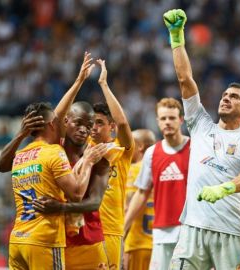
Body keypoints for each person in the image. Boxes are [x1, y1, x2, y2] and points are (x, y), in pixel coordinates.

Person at [164, 9, 240, 269]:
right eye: (224, 94)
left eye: (234, 96)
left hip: (229, 229)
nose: (225, 98)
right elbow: (185, 80)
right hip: (192, 229)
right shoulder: (200, 125)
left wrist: (224, 188)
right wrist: (177, 39)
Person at [3, 102, 105, 269]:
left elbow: (0, 165)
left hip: (18, 240)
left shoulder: (19, 156)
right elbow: (77, 194)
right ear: (52, 124)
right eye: (58, 122)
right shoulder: (54, 152)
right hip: (44, 239)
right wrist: (87, 162)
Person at [32, 102, 111, 269]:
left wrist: (60, 207)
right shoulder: (50, 154)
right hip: (57, 243)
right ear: (66, 121)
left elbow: (94, 203)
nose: (84, 129)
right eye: (78, 123)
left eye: (89, 126)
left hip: (89, 243)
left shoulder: (99, 162)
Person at [124, 98, 190, 270]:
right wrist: (124, 226)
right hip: (161, 233)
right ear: (157, 122)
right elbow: (141, 192)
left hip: (190, 233)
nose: (167, 122)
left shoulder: (195, 148)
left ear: (181, 120)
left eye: (172, 118)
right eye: (163, 118)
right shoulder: (152, 153)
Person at [91, 59, 135, 269]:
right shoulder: (83, 147)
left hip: (110, 230)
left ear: (112, 127)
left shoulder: (122, 150)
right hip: (84, 228)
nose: (93, 127)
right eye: (91, 122)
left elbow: (125, 123)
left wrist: (104, 85)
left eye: (99, 123)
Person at [123, 129, 156, 270]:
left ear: (140, 146)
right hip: (159, 243)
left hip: (137, 243)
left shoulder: (133, 170)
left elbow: (127, 207)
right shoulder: (160, 170)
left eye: (131, 144)